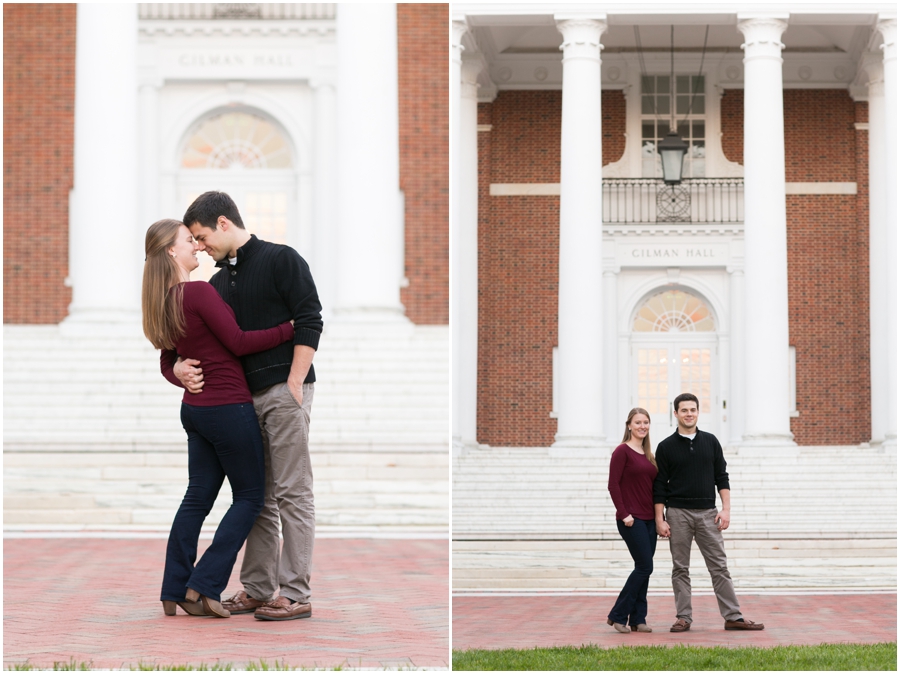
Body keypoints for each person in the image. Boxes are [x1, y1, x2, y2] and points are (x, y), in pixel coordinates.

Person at [167, 191, 323, 622]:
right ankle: (257, 588)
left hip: (284, 391)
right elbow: (197, 343)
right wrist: (177, 367)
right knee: (257, 496)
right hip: (240, 401)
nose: (199, 247)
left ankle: (295, 592)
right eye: (192, 242)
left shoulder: (281, 259)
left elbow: (310, 319)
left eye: (200, 237)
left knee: (292, 491)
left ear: (222, 223)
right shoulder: (216, 284)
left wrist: (294, 381)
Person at [143, 219, 295, 618]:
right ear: (172, 252)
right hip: (228, 407)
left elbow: (166, 358)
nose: (196, 246)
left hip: (195, 412)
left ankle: (173, 587)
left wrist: (176, 372)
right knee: (249, 497)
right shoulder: (197, 292)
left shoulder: (160, 299)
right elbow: (240, 342)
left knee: (197, 498)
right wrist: (289, 328)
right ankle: (204, 584)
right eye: (188, 241)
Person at [653, 393, 765, 632]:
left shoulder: (711, 441)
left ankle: (733, 616)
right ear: (676, 414)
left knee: (719, 567)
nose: (689, 413)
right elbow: (660, 485)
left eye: (692, 409)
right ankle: (683, 617)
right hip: (678, 514)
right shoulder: (665, 447)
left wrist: (726, 510)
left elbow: (721, 477)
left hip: (708, 513)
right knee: (680, 568)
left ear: (697, 412)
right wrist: (659, 518)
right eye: (684, 410)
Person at [606, 408, 658, 634]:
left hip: (649, 520)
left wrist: (660, 519)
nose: (642, 426)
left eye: (646, 422)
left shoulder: (648, 454)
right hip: (631, 519)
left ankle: (638, 619)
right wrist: (624, 513)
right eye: (638, 422)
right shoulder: (622, 451)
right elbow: (613, 484)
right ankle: (617, 615)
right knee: (645, 566)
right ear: (629, 425)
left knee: (643, 569)